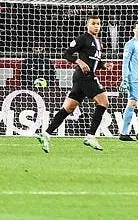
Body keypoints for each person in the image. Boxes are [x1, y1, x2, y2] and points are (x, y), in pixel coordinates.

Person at [39, 16, 112, 152]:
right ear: (87, 25)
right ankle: (90, 136)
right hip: (84, 77)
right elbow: (66, 54)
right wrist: (78, 61)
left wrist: (104, 65)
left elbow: (93, 61)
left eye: (98, 24)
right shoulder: (83, 38)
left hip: (81, 78)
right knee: (103, 102)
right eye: (93, 23)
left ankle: (46, 134)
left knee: (69, 108)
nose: (96, 26)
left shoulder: (98, 42)